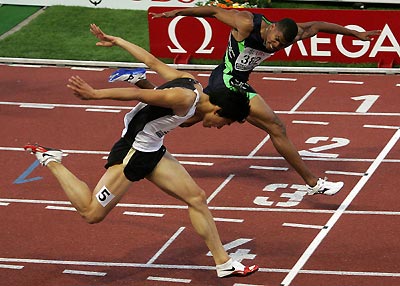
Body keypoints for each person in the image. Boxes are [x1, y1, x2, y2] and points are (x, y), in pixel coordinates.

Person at [24, 23, 258, 278]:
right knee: (91, 213)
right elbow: (137, 96)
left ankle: (223, 263)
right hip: (134, 152)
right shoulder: (184, 98)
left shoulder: (193, 84)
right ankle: (51, 159)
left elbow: (152, 61)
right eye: (225, 122)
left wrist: (118, 40)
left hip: (152, 148)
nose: (220, 127)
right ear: (218, 110)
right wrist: (95, 94)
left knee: (196, 198)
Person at [112, 6, 382, 195]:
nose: (275, 47)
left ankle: (140, 81)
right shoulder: (246, 23)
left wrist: (355, 34)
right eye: (275, 40)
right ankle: (312, 182)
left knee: (186, 120)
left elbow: (318, 26)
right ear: (272, 27)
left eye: (280, 45)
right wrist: (178, 12)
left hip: (237, 81)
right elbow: (214, 12)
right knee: (275, 126)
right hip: (227, 79)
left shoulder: (290, 34)